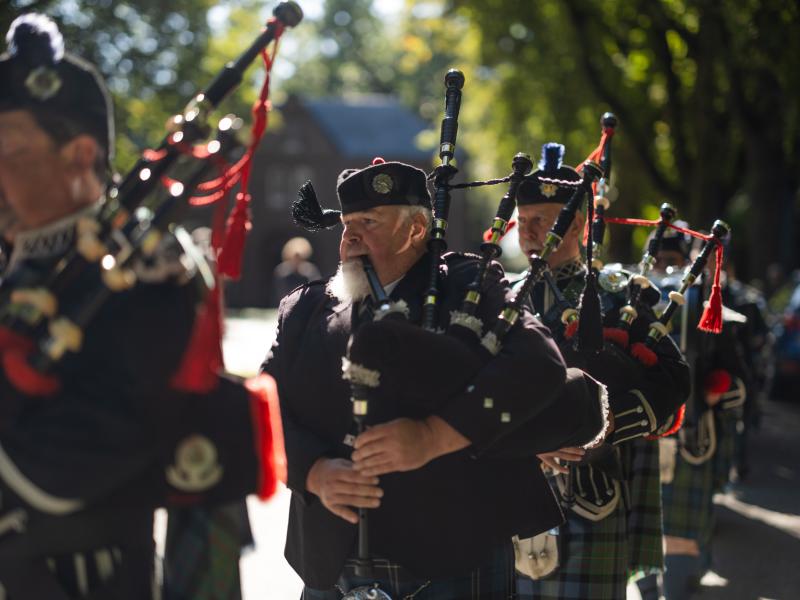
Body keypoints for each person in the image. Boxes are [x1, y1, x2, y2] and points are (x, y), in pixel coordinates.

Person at [0, 14, 283, 599]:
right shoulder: (18, 268)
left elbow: (68, 468)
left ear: (79, 155)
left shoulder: (155, 279)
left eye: (9, 154)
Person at [262, 157, 609, 598]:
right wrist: (313, 472)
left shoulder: (470, 287)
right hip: (330, 562)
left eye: (368, 221)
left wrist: (433, 436)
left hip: (451, 556)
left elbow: (538, 362)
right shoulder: (306, 309)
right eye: (347, 223)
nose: (351, 236)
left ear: (415, 230)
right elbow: (267, 407)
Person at [511, 143, 690, 600]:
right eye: (522, 219)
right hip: (504, 500)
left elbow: (669, 399)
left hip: (591, 500)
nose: (527, 231)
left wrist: (596, 427)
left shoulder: (620, 298)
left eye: (541, 220)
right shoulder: (496, 297)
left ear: (575, 225)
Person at [650, 226, 749, 599]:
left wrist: (715, 389)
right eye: (658, 261)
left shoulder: (708, 307)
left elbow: (741, 384)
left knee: (678, 538)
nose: (665, 269)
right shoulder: (632, 295)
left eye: (672, 262)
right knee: (637, 539)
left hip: (691, 438)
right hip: (639, 435)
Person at [273, 236, 321, 303]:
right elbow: (280, 293)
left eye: (300, 257)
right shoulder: (282, 272)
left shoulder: (310, 272)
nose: (297, 260)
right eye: (295, 257)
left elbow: (316, 290)